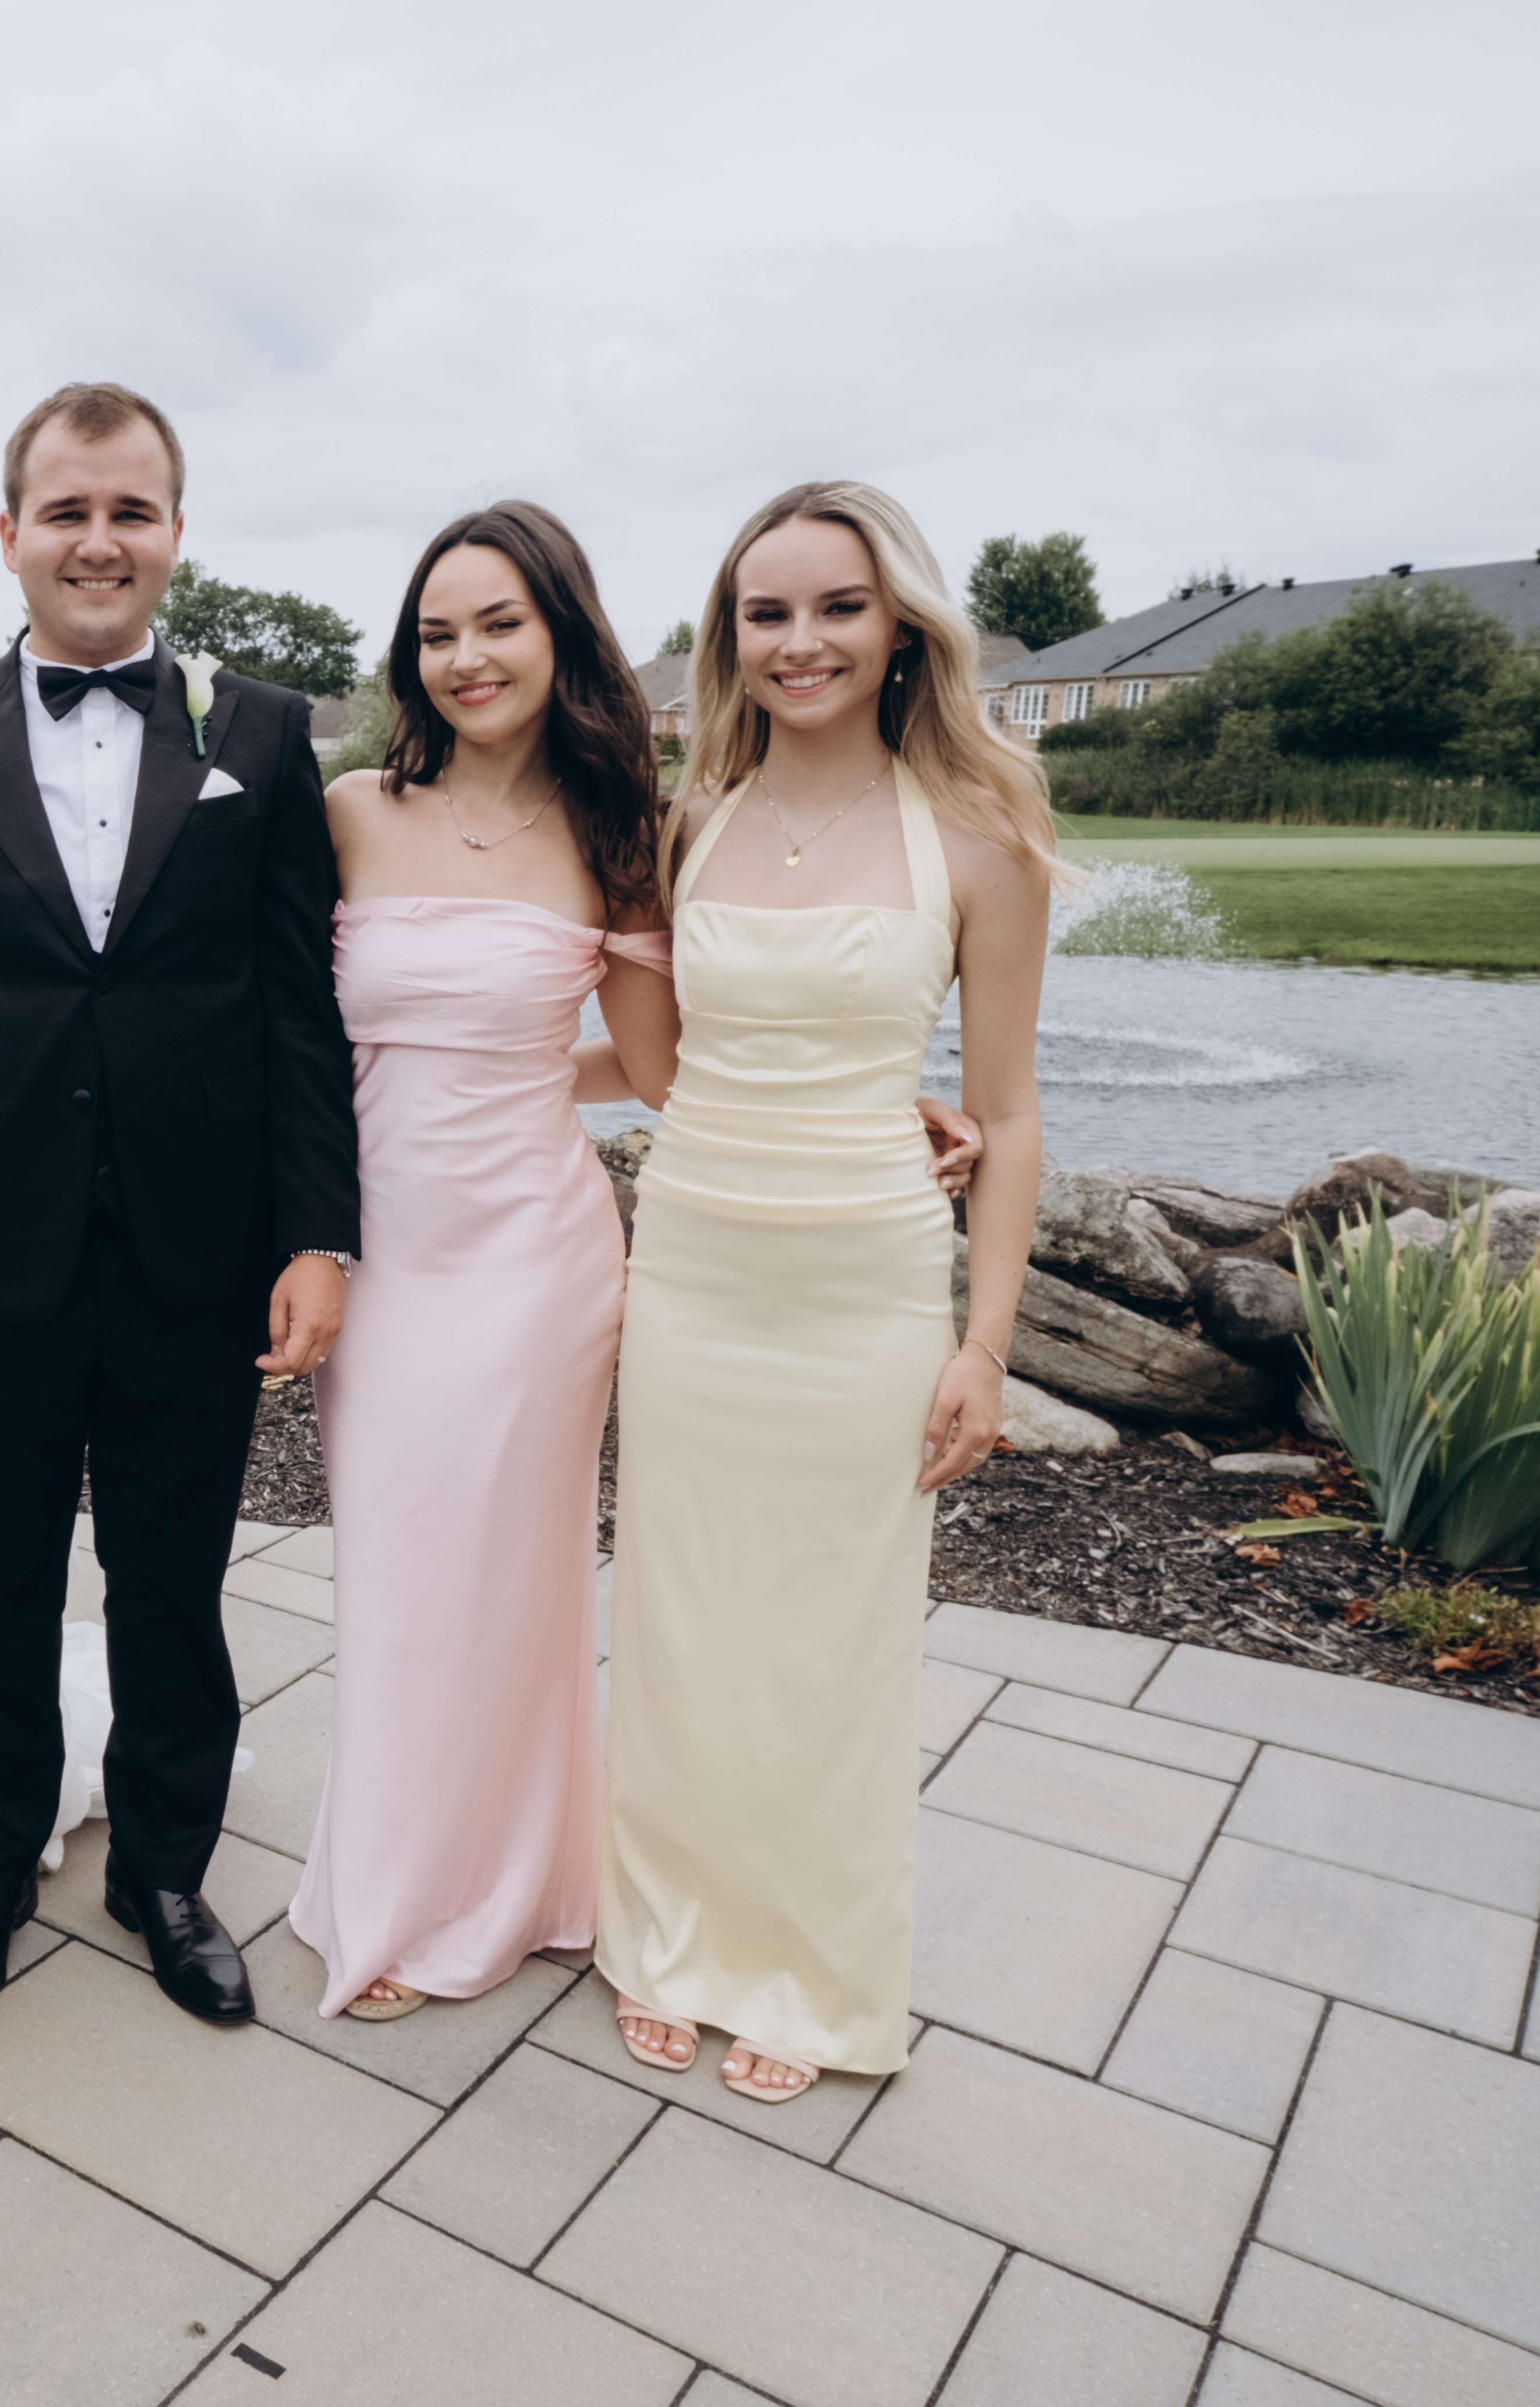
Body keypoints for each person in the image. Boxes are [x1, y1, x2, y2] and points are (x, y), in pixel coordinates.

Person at [0, 383, 361, 2029]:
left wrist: (317, 1234)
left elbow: (299, 1007)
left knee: (172, 1584)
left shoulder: (261, 734)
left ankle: (165, 1866)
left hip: (193, 1245)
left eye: (130, 510)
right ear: (10, 534)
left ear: (176, 534)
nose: (99, 539)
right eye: (67, 511)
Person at [602, 480, 1050, 2104]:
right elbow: (656, 1064)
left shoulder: (983, 838)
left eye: (838, 606)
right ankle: (666, 1937)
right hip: (695, 1264)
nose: (802, 641)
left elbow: (1008, 1114)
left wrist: (984, 1344)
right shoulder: (687, 824)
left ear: (901, 626)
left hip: (864, 1280)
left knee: (834, 1634)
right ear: (730, 639)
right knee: (681, 1614)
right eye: (768, 612)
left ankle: (808, 1970)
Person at [288, 504, 679, 2023]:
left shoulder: (616, 835)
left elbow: (654, 1069)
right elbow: (290, 1038)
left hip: (534, 1260)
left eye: (500, 623)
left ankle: (507, 1889)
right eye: (439, 632)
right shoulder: (348, 812)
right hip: (381, 1252)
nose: (468, 657)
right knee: (399, 1574)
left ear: (560, 634)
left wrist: (862, 1102)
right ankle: (396, 1886)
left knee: (511, 1581)